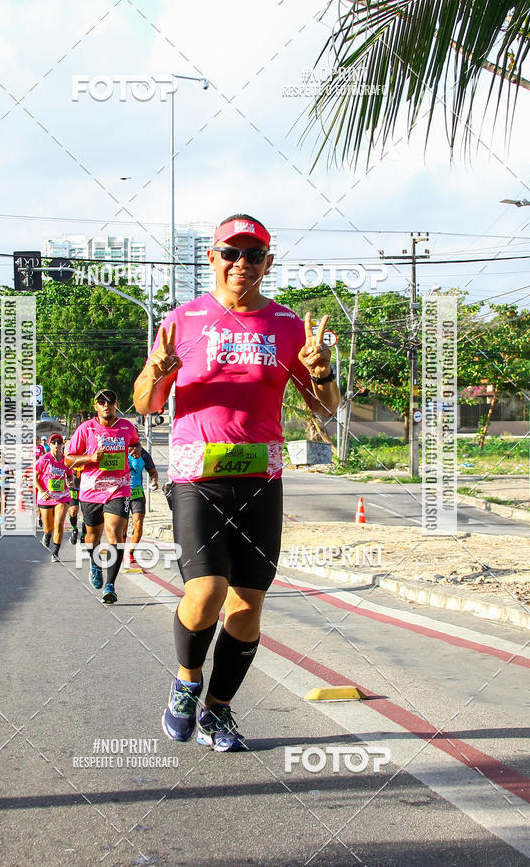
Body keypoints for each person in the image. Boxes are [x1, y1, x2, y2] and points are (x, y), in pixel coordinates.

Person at [133, 213, 340, 751]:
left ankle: (218, 710)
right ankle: (186, 682)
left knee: (247, 605)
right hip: (196, 477)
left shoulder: (288, 326)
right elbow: (146, 404)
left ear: (267, 263)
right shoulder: (182, 321)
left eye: (253, 254)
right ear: (213, 258)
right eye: (231, 252)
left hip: (260, 479)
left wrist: (321, 371)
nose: (241, 263)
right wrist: (157, 370)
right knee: (206, 591)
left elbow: (324, 408)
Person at [65, 390, 140, 604]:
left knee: (114, 533)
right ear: (95, 406)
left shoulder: (126, 427)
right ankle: (95, 563)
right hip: (91, 490)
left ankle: (110, 585)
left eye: (110, 401)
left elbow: (135, 443)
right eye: (101, 401)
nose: (106, 404)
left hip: (119, 488)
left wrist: (136, 449)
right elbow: (68, 460)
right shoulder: (86, 428)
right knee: (92, 537)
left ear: (117, 404)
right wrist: (90, 458)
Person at [34, 433, 73, 562]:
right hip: (46, 496)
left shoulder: (66, 460)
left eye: (59, 442)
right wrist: (42, 491)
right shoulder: (44, 459)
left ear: (62, 444)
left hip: (62, 496)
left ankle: (55, 552)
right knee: (48, 527)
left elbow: (69, 475)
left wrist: (70, 482)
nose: (57, 445)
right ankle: (47, 534)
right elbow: (34, 477)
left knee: (59, 523)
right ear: (50, 445)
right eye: (54, 442)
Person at [123, 442, 159, 570]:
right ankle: (120, 548)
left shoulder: (143, 454)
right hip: (121, 493)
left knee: (138, 523)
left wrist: (154, 481)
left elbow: (153, 472)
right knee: (122, 526)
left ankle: (130, 552)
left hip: (137, 493)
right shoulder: (120, 450)